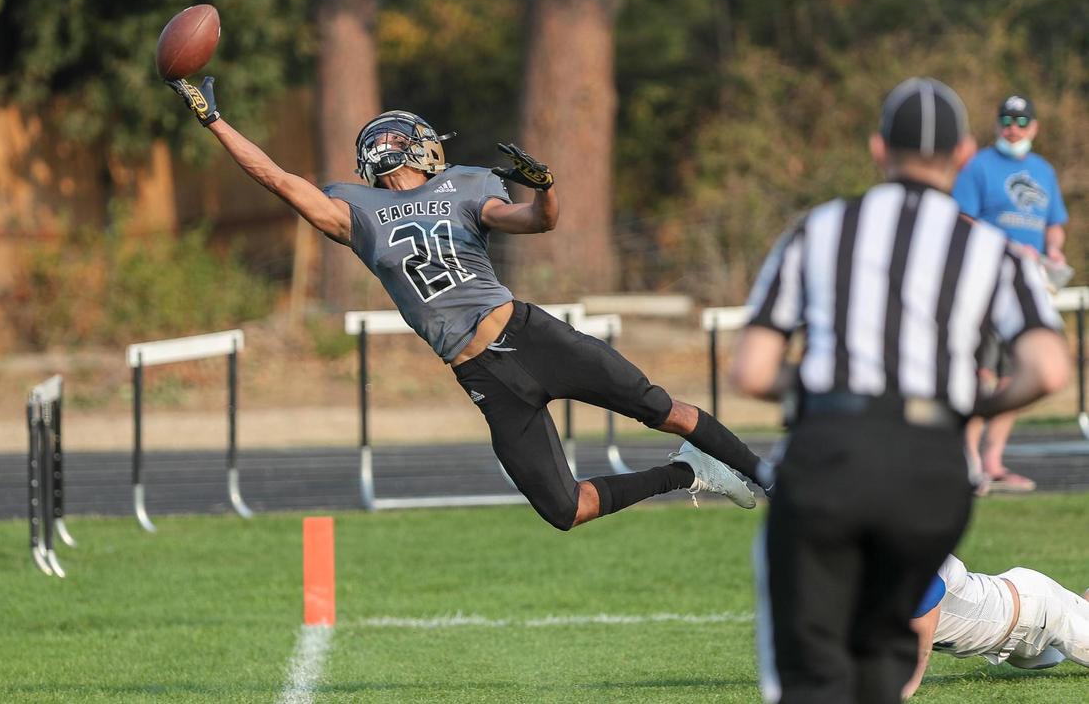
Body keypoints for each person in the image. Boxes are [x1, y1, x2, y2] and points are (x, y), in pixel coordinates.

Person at [165, 76, 768, 532]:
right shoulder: (355, 212)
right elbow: (275, 177)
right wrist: (213, 119)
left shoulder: (466, 186)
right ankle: (689, 473)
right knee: (564, 510)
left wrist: (547, 188)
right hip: (481, 373)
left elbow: (534, 221)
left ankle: (772, 479)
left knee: (662, 407)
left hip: (530, 335)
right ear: (403, 147)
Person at [730, 77, 1069, 704]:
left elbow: (749, 370)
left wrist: (820, 391)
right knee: (880, 668)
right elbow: (1048, 368)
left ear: (878, 149)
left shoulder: (821, 229)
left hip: (831, 452)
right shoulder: (990, 250)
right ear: (965, 153)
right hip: (930, 467)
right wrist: (967, 403)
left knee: (810, 676)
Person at [953, 94, 1071, 494]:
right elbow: (962, 222)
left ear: (1034, 126)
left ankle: (993, 461)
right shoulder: (979, 166)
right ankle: (968, 463)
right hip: (984, 286)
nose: (1013, 127)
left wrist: (1053, 249)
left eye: (1021, 121)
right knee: (978, 373)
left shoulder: (1043, 171)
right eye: (1006, 119)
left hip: (1028, 289)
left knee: (1014, 375)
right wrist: (1003, 247)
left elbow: (1054, 222)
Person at [903, 553, 1089, 699]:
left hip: (1037, 612)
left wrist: (904, 687)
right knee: (1075, 622)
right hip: (1013, 647)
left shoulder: (920, 568)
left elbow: (919, 646)